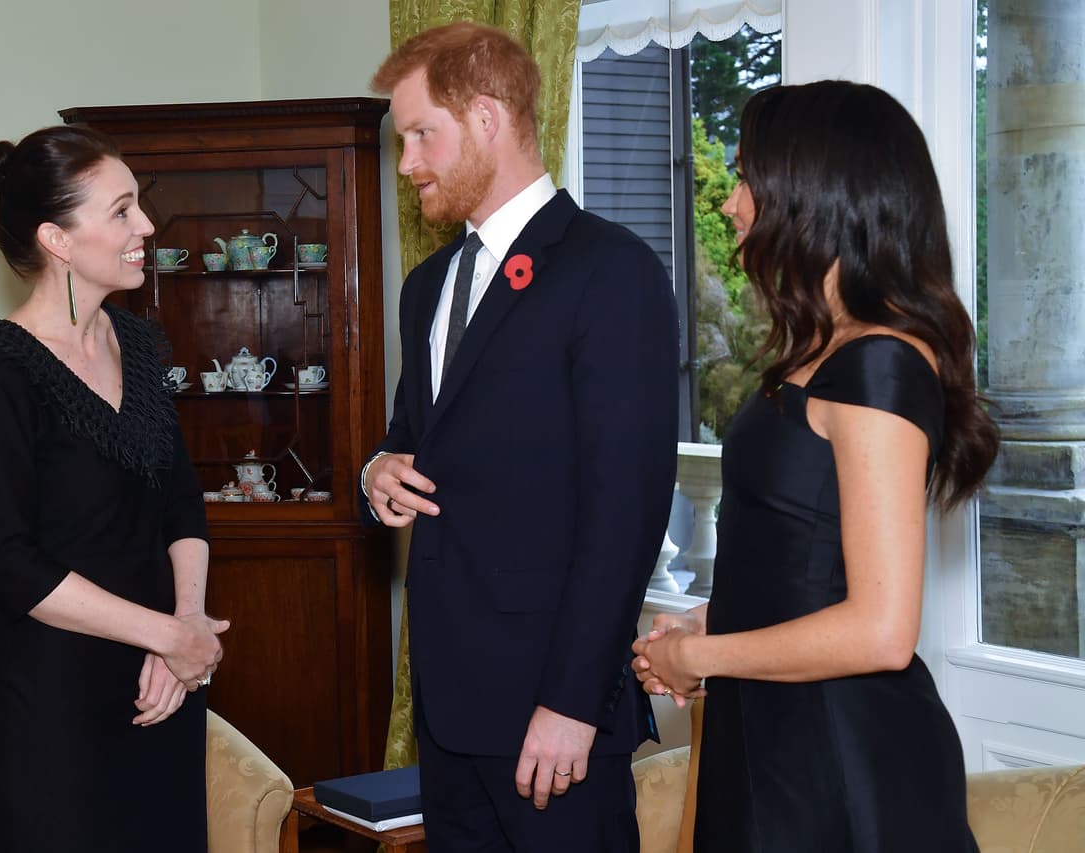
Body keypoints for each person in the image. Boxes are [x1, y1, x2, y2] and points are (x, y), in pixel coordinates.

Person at [631, 80, 1000, 853]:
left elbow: (880, 630)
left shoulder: (881, 364)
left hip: (840, 770)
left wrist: (698, 654)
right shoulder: (823, 353)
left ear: (816, 193)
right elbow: (806, 565)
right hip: (772, 744)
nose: (730, 202)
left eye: (746, 179)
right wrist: (709, 622)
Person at [363, 22, 680, 852]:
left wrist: (573, 703)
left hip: (554, 715)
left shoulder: (612, 272)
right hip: (448, 712)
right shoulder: (425, 287)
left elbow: (628, 509)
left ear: (489, 119)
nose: (408, 165)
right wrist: (377, 471)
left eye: (421, 135)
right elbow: (409, 438)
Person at [0, 125, 229, 853]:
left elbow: (181, 502)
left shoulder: (138, 342)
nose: (147, 227)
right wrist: (169, 634)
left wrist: (183, 633)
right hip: (52, 709)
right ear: (57, 240)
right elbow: (12, 564)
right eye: (123, 210)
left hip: (159, 689)